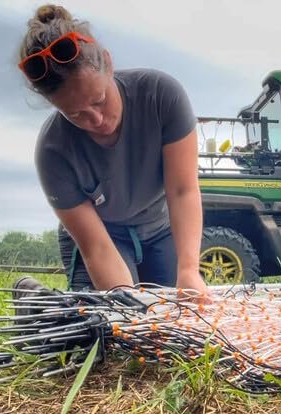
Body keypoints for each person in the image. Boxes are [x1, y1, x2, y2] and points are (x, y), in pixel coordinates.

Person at [17, 4, 209, 300]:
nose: (96, 120)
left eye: (99, 100)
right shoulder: (52, 150)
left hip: (160, 229)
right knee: (112, 323)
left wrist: (188, 269)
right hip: (105, 236)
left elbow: (183, 190)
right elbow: (97, 248)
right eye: (75, 115)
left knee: (177, 314)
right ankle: (36, 301)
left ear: (108, 63)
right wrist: (126, 307)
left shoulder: (162, 96)